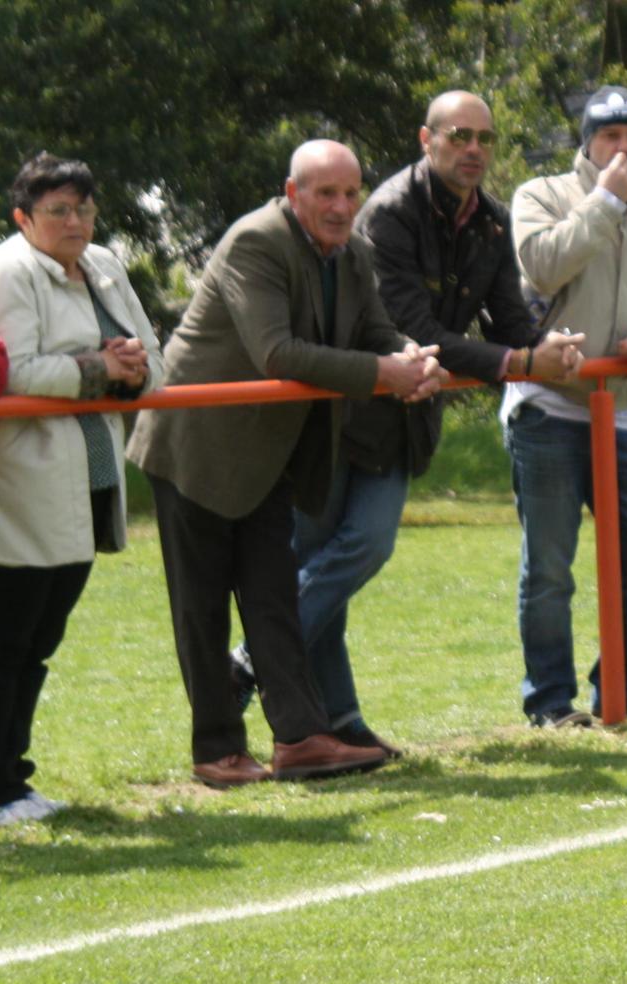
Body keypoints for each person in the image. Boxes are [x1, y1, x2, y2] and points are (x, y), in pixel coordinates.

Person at [239, 91, 586, 755]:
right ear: (427, 140)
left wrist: (547, 349)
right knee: (342, 560)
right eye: (459, 136)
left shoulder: (492, 222)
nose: (474, 149)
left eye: (484, 138)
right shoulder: (389, 213)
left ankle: (302, 701)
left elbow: (509, 322)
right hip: (336, 415)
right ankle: (316, 706)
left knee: (341, 563)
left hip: (402, 419)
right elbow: (413, 331)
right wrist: (519, 362)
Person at [128, 140, 439, 788]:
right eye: (326, 193)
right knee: (203, 606)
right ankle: (217, 751)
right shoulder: (256, 241)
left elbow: (376, 332)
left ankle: (300, 739)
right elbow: (277, 353)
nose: (342, 207)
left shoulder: (353, 252)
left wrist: (412, 356)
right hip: (196, 447)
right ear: (293, 194)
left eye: (350, 193)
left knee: (274, 597)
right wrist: (383, 374)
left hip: (270, 455)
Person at [503, 85, 627, 726]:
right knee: (550, 567)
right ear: (586, 144)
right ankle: (549, 702)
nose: (624, 148)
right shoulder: (540, 197)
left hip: (626, 413)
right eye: (610, 136)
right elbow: (543, 267)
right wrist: (607, 200)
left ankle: (622, 688)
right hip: (548, 407)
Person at [0, 153, 165, 824]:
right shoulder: (8, 269)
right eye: (57, 210)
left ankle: (12, 781)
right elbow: (9, 372)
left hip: (92, 478)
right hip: (22, 481)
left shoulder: (106, 265)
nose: (74, 222)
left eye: (83, 208)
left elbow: (155, 359)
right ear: (23, 218)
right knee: (3, 641)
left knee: (40, 639)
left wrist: (132, 371)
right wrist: (99, 368)